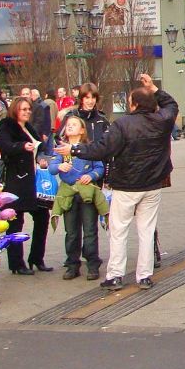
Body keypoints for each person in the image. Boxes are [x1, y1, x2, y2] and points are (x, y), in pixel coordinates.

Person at [58, 74, 178, 291]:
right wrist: (153, 88)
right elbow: (171, 104)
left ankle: (115, 275)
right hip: (152, 185)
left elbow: (101, 150)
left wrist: (74, 149)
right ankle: (144, 275)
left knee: (119, 230)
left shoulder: (122, 124)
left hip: (126, 185)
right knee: (146, 230)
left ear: (133, 104)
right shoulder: (162, 120)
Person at [0, 96, 52, 274]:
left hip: (33, 181)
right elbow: (4, 146)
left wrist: (41, 158)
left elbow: (39, 148)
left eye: (28, 109)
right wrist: (21, 146)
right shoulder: (7, 125)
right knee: (15, 222)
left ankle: (36, 258)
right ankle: (16, 264)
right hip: (16, 180)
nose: (27, 112)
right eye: (23, 109)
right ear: (15, 110)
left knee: (42, 217)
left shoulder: (28, 128)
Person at [49, 115, 105, 281]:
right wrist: (59, 165)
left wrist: (91, 175)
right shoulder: (61, 149)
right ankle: (72, 264)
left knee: (89, 230)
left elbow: (100, 167)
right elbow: (52, 168)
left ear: (82, 130)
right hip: (68, 194)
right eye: (68, 125)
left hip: (87, 193)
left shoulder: (88, 148)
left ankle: (93, 264)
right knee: (71, 231)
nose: (70, 127)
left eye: (74, 125)